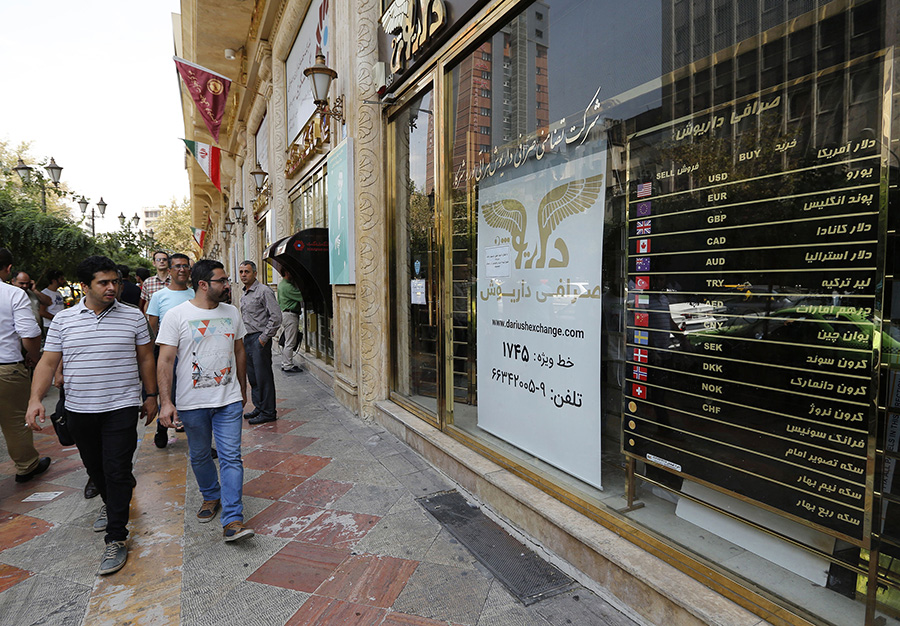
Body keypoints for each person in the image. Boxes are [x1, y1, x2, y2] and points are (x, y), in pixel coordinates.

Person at [26, 255, 158, 576]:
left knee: (116, 469)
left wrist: (152, 395)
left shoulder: (133, 318)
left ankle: (116, 536)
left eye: (116, 281)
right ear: (85, 286)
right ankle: (112, 501)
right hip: (79, 409)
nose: (113, 287)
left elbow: (145, 359)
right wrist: (35, 399)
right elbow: (46, 363)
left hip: (121, 407)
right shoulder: (63, 321)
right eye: (104, 282)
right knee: (95, 467)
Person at [156, 259, 254, 542]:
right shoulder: (177, 315)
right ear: (203, 285)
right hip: (192, 404)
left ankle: (233, 518)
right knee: (199, 455)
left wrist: (242, 388)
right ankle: (211, 496)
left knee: (231, 457)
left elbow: (239, 352)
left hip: (228, 400)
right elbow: (165, 360)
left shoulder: (232, 312)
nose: (227, 285)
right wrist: (166, 401)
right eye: (221, 281)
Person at [0, 249, 51, 483]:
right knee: (16, 421)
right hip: (7, 368)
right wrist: (33, 356)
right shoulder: (11, 294)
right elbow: (30, 332)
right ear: (9, 269)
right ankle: (26, 466)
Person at [146, 253, 195, 448]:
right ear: (169, 271)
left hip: (193, 353)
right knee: (170, 393)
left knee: (193, 395)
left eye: (185, 266)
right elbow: (152, 327)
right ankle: (162, 427)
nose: (181, 269)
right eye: (177, 266)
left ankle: (198, 440)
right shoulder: (159, 296)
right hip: (168, 354)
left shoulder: (195, 294)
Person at [238, 260, 281, 424]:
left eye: (246, 272)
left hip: (259, 338)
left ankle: (269, 411)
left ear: (255, 273)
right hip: (247, 338)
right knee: (253, 377)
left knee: (263, 376)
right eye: (241, 272)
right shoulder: (245, 292)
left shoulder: (263, 291)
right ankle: (259, 407)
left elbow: (276, 317)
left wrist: (263, 339)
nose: (243, 275)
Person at [276, 267, 304, 373]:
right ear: (287, 272)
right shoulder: (288, 286)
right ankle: (288, 365)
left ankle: (285, 363)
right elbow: (301, 296)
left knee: (288, 340)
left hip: (285, 314)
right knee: (290, 342)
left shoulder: (282, 284)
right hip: (290, 315)